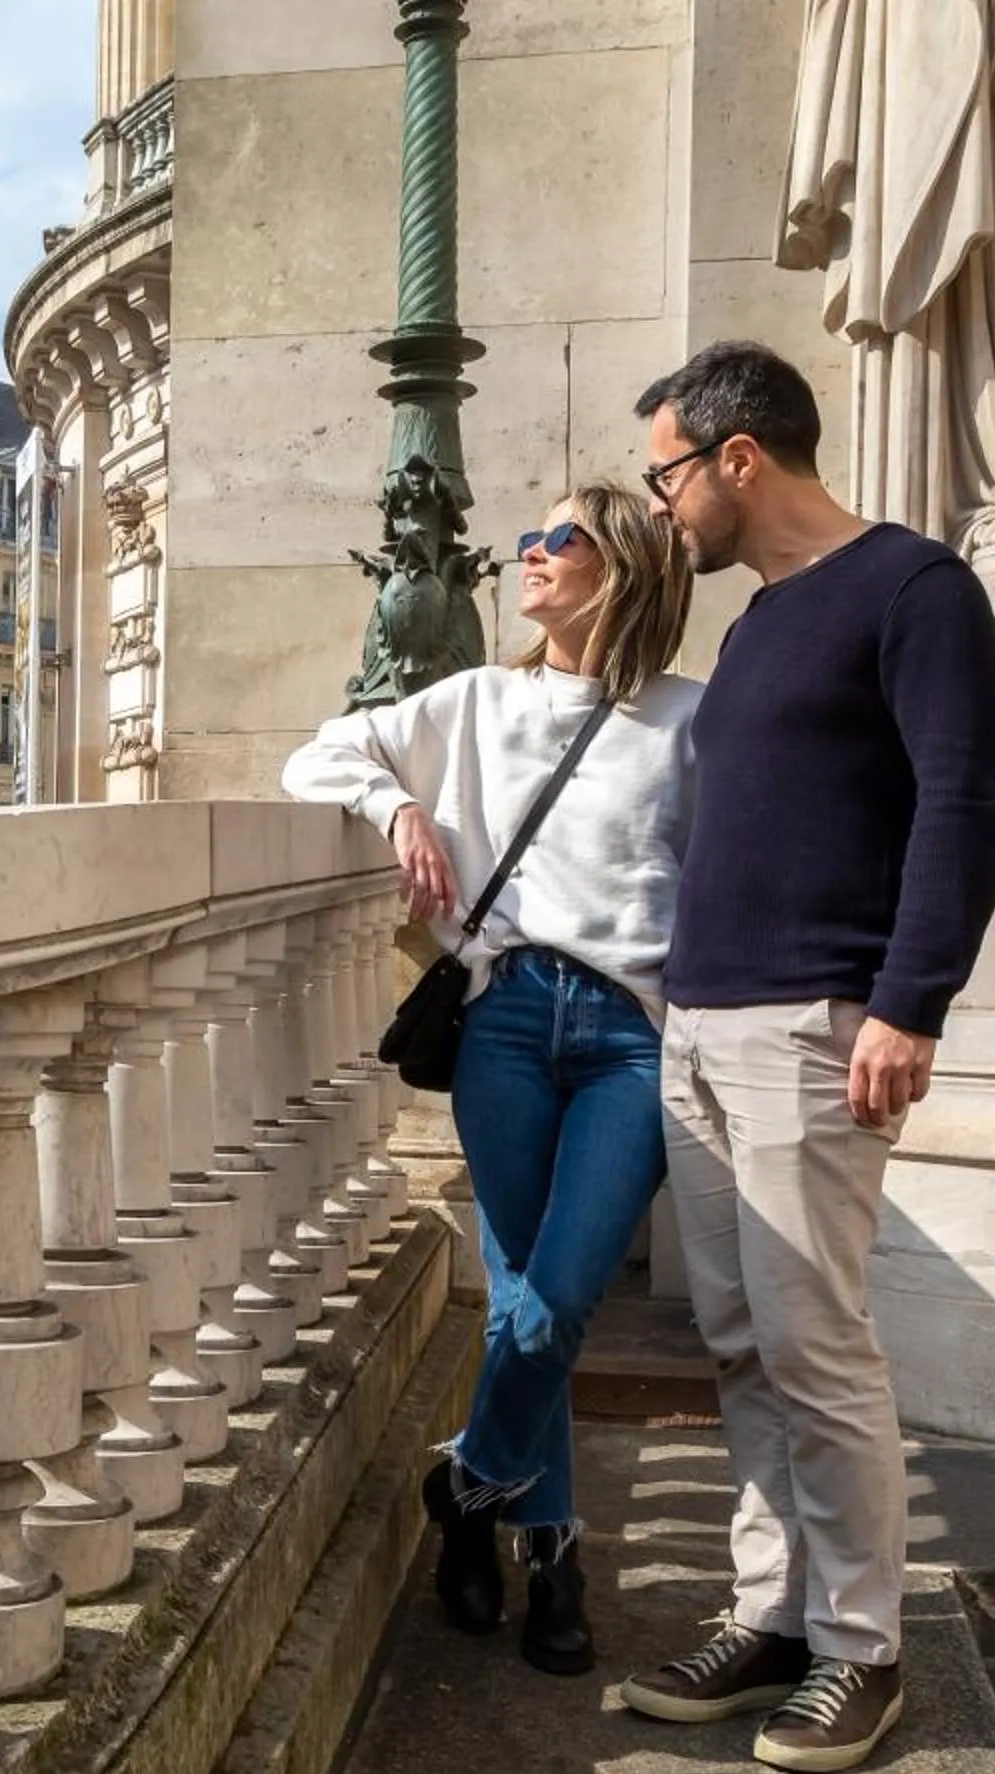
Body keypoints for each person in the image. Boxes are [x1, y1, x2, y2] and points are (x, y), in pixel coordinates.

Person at [617, 341, 995, 1773]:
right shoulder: (756, 624)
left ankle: (861, 1651)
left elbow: (964, 806)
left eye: (668, 474)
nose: (662, 506)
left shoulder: (914, 591)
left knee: (815, 1344)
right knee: (736, 1345)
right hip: (705, 1023)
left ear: (737, 459)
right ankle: (773, 1615)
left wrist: (912, 1002)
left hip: (817, 1024)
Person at [286, 482, 699, 1676]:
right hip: (506, 1017)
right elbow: (320, 749)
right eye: (527, 538)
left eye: (557, 539)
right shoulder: (479, 700)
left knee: (560, 1295)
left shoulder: (690, 722)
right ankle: (551, 1551)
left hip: (632, 1032)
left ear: (620, 565)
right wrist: (400, 801)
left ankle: (466, 1487)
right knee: (524, 1287)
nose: (527, 554)